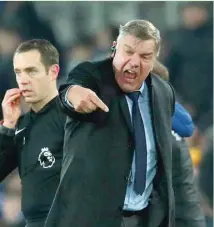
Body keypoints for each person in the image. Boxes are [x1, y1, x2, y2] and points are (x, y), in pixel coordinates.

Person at [44, 19, 195, 227]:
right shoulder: (93, 76)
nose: (134, 62)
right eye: (128, 52)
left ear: (154, 60)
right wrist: (72, 94)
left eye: (144, 56)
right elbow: (71, 90)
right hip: (91, 219)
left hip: (143, 218)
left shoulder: (163, 92)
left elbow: (172, 148)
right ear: (114, 49)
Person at [0, 39, 66, 227]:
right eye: (18, 72)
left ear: (53, 72)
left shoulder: (71, 117)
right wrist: (8, 127)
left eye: (31, 71)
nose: (23, 80)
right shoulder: (21, 125)